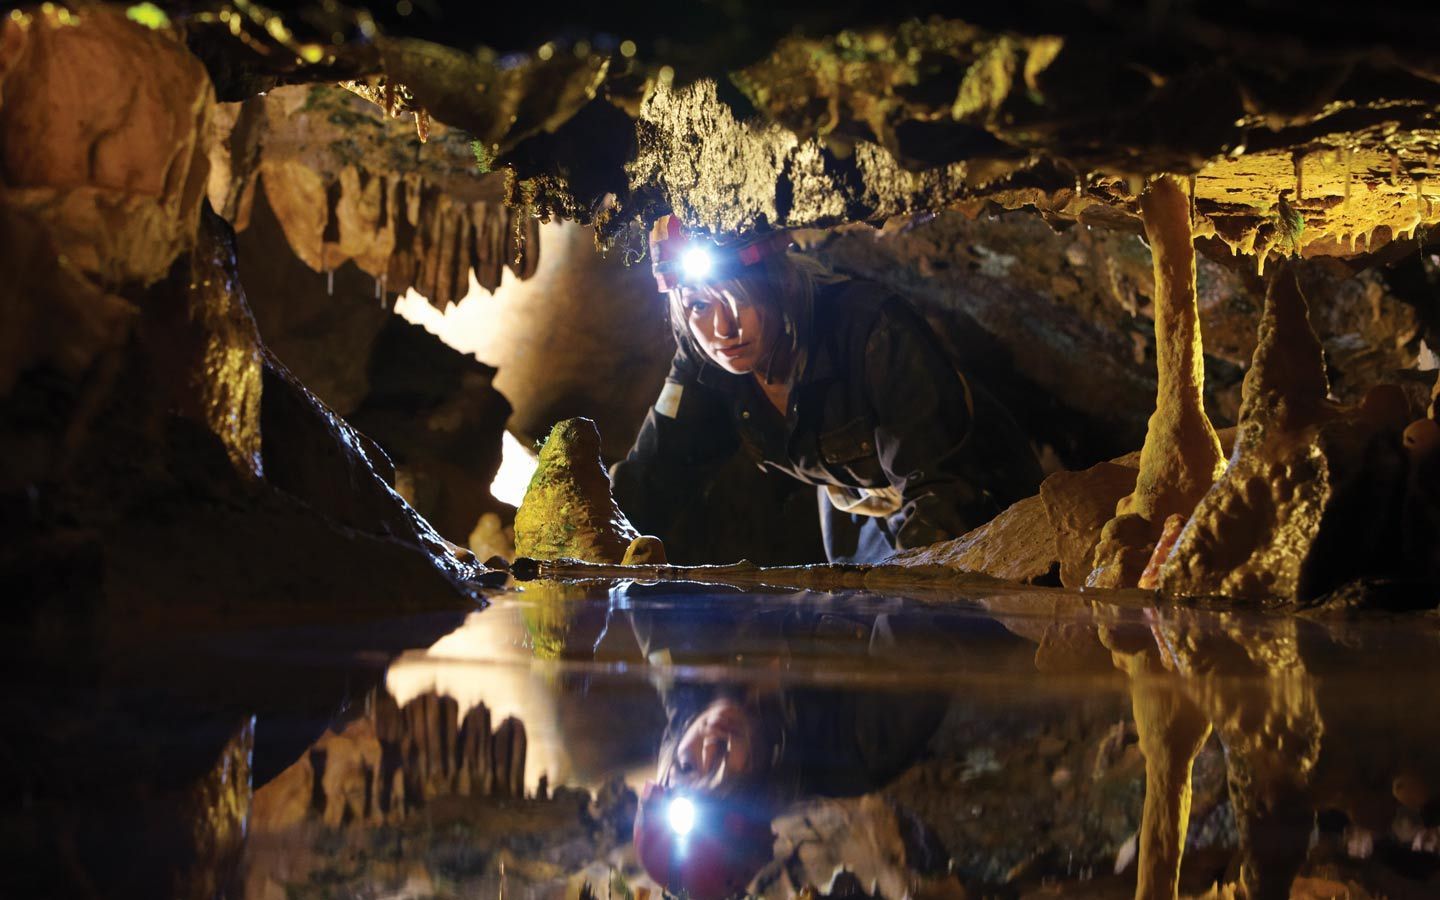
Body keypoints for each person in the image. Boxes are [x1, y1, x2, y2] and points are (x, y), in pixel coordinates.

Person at [611, 216, 1043, 564]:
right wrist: (593, 535)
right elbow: (655, 472)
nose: (722, 329)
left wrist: (913, 603)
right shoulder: (706, 354)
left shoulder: (871, 329)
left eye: (739, 299)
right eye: (700, 306)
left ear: (780, 284)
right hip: (857, 507)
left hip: (983, 501)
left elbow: (943, 493)